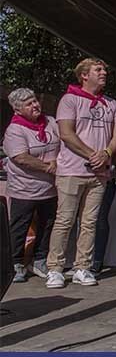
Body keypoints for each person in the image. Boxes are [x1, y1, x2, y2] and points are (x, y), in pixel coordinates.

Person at [46, 58, 116, 289]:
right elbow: (67, 134)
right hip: (72, 169)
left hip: (99, 173)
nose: (104, 73)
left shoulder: (111, 103)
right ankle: (55, 269)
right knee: (65, 221)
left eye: (105, 70)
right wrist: (93, 154)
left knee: (90, 222)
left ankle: (82, 267)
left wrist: (107, 152)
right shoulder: (69, 99)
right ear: (84, 75)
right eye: (98, 70)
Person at [3, 88, 60, 282]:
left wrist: (58, 162)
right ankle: (15, 263)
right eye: (29, 104)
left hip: (50, 188)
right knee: (20, 227)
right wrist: (48, 167)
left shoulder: (51, 122)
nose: (35, 105)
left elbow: (64, 145)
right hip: (24, 189)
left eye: (34, 101)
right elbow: (21, 157)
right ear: (18, 110)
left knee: (47, 225)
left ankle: (40, 260)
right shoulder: (15, 130)